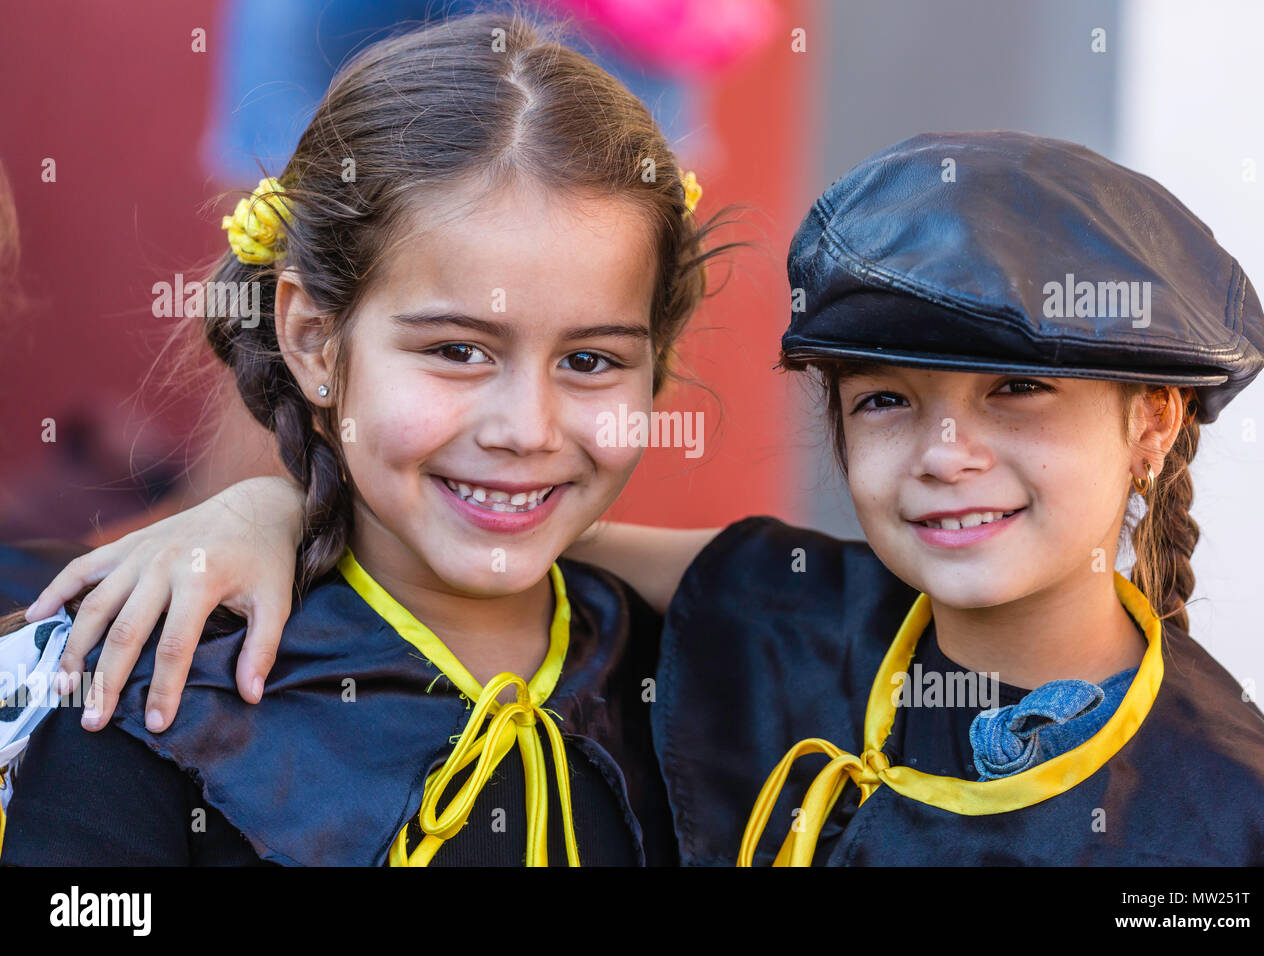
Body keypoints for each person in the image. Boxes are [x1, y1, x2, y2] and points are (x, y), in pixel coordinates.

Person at [21, 132, 1264, 866]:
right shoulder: (769, 621)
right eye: (884, 401)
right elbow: (528, 536)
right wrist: (270, 511)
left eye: (1018, 390)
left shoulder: (1229, 813)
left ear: (1152, 420)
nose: (947, 455)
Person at [0, 10, 735, 866]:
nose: (526, 429)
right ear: (313, 339)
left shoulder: (710, 683)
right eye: (457, 352)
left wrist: (284, 508)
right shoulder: (162, 700)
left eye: (590, 359)